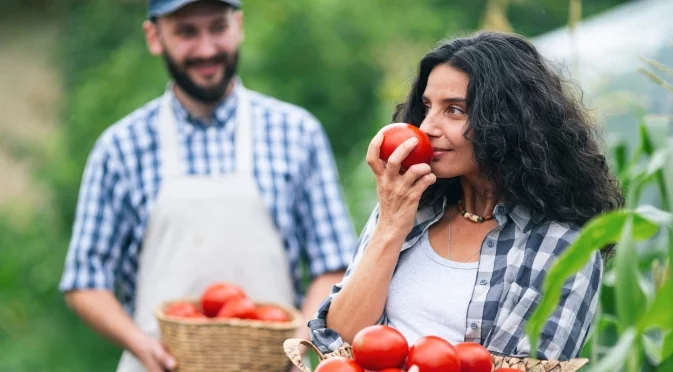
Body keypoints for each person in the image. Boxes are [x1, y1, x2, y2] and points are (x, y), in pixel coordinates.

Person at [58, 1, 357, 371]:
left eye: (218, 27)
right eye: (186, 32)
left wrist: (298, 337)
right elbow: (85, 282)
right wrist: (141, 345)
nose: (206, 49)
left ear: (239, 27)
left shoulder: (297, 134)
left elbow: (334, 263)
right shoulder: (120, 148)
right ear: (154, 37)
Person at [308, 31, 623, 362]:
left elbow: (516, 368)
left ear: (507, 122)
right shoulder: (410, 207)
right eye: (427, 107)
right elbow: (341, 337)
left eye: (454, 110)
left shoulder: (561, 245)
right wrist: (390, 225)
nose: (427, 127)